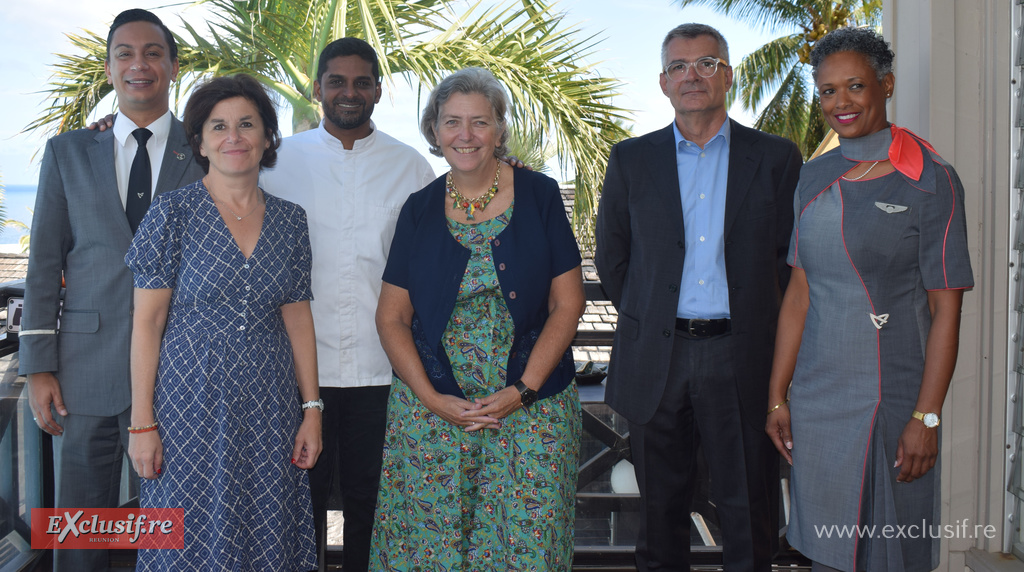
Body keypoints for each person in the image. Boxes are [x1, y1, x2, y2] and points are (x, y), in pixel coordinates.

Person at [595, 23, 803, 571]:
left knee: (749, 509)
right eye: (680, 66)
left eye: (707, 63)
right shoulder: (631, 160)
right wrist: (655, 316)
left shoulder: (777, 158)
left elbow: (790, 260)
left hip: (744, 356)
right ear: (663, 82)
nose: (693, 76)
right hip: (658, 356)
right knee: (659, 514)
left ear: (727, 76)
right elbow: (612, 259)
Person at [765, 27, 972, 572]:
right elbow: (799, 294)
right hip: (816, 399)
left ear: (886, 84)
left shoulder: (932, 181)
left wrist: (926, 417)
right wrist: (778, 397)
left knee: (891, 554)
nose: (841, 102)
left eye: (855, 86)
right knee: (825, 552)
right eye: (828, 90)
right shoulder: (812, 177)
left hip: (893, 400)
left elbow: (946, 309)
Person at [370, 66, 585, 570]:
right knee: (429, 548)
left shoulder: (541, 196)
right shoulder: (419, 209)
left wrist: (524, 389)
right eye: (451, 122)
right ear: (434, 130)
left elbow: (568, 303)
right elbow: (391, 318)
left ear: (498, 129)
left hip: (532, 410)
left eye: (479, 122)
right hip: (432, 411)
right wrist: (431, 398)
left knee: (527, 547)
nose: (465, 135)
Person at [18, 9, 205, 571]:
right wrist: (38, 366)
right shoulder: (68, 152)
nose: (139, 64)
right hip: (84, 369)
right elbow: (44, 262)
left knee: (175, 525)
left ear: (173, 66)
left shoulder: (208, 154)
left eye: (152, 53)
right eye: (124, 53)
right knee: (81, 527)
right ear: (108, 67)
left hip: (182, 366)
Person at [125, 74, 321, 571]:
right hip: (189, 406)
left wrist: (312, 410)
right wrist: (142, 422)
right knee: (187, 532)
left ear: (267, 137)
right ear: (201, 142)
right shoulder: (172, 213)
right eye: (219, 127)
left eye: (246, 124)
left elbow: (298, 319)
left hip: (270, 408)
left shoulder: (290, 220)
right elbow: (147, 324)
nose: (233, 136)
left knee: (268, 528)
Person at [259, 37, 435, 572]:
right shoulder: (276, 163)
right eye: (337, 81)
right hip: (294, 376)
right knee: (295, 513)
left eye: (362, 82)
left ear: (379, 91)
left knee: (374, 512)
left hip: (383, 375)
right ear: (317, 89)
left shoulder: (413, 169)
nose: (349, 92)